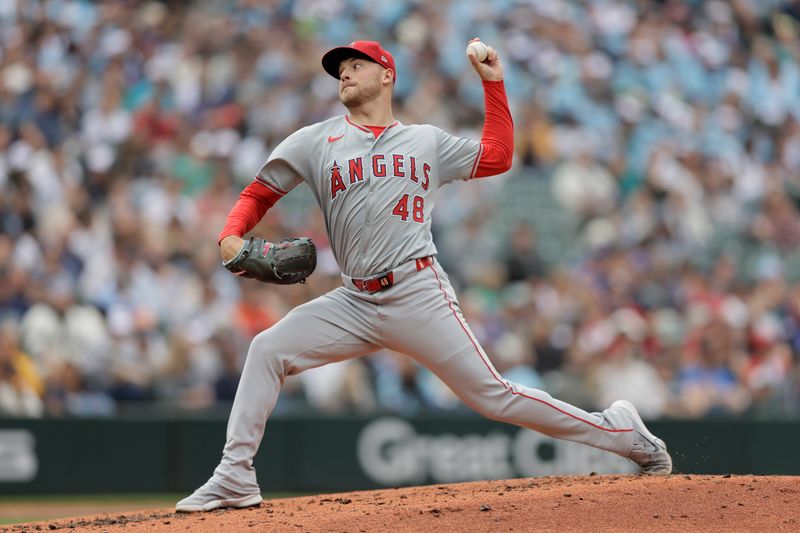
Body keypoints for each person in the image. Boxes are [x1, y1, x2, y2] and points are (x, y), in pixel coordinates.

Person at [176, 39, 672, 513]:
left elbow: (497, 157)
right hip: (353, 301)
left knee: (494, 396)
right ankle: (235, 474)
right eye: (339, 68)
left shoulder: (425, 141)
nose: (344, 72)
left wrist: (493, 84)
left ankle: (621, 434)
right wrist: (231, 234)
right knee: (267, 349)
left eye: (356, 64)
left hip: (417, 292)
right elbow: (259, 192)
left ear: (387, 74)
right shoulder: (315, 140)